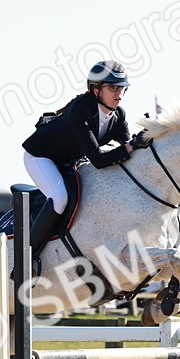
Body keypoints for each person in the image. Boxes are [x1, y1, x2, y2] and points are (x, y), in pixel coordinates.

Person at [20, 59, 145, 274]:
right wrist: (132, 145)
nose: (119, 93)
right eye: (113, 87)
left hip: (70, 161)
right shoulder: (81, 110)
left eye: (122, 87)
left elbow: (127, 151)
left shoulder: (118, 115)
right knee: (60, 198)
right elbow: (98, 159)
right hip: (41, 158)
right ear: (96, 91)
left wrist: (144, 143)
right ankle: (25, 259)